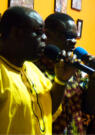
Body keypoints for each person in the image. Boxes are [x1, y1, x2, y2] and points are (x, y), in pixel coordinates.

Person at [0, 6, 74, 134]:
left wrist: (61, 80)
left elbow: (48, 110)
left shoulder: (32, 69)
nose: (45, 38)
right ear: (16, 32)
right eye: (39, 32)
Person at [35, 12, 95, 134]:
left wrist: (94, 79)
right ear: (47, 34)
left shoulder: (74, 68)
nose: (74, 42)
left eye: (75, 37)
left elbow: (89, 109)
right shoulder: (34, 67)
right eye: (68, 35)